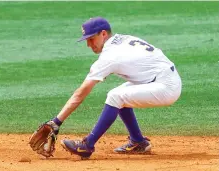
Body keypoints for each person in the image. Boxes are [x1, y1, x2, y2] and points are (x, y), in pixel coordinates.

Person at [34, 17, 182, 159]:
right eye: (87, 40)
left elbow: (80, 94)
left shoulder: (110, 56)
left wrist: (57, 121)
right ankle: (138, 142)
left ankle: (87, 145)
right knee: (119, 94)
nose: (89, 44)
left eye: (91, 39)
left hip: (166, 86)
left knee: (116, 96)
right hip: (158, 78)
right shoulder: (123, 38)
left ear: (103, 34)